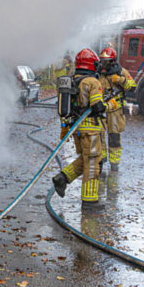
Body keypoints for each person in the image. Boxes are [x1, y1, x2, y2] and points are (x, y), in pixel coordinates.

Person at [52, 48, 107, 209]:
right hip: (90, 129)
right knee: (93, 163)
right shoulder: (92, 82)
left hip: (77, 127)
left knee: (85, 159)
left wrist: (64, 127)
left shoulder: (72, 80)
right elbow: (97, 106)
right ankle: (89, 201)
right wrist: (109, 105)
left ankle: (62, 178)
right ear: (92, 64)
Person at [97, 47, 136, 172]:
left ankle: (114, 163)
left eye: (107, 61)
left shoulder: (120, 72)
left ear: (113, 60)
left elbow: (132, 86)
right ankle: (101, 159)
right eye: (102, 61)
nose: (104, 64)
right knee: (99, 135)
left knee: (114, 136)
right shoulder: (98, 73)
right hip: (101, 109)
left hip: (115, 110)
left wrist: (119, 80)